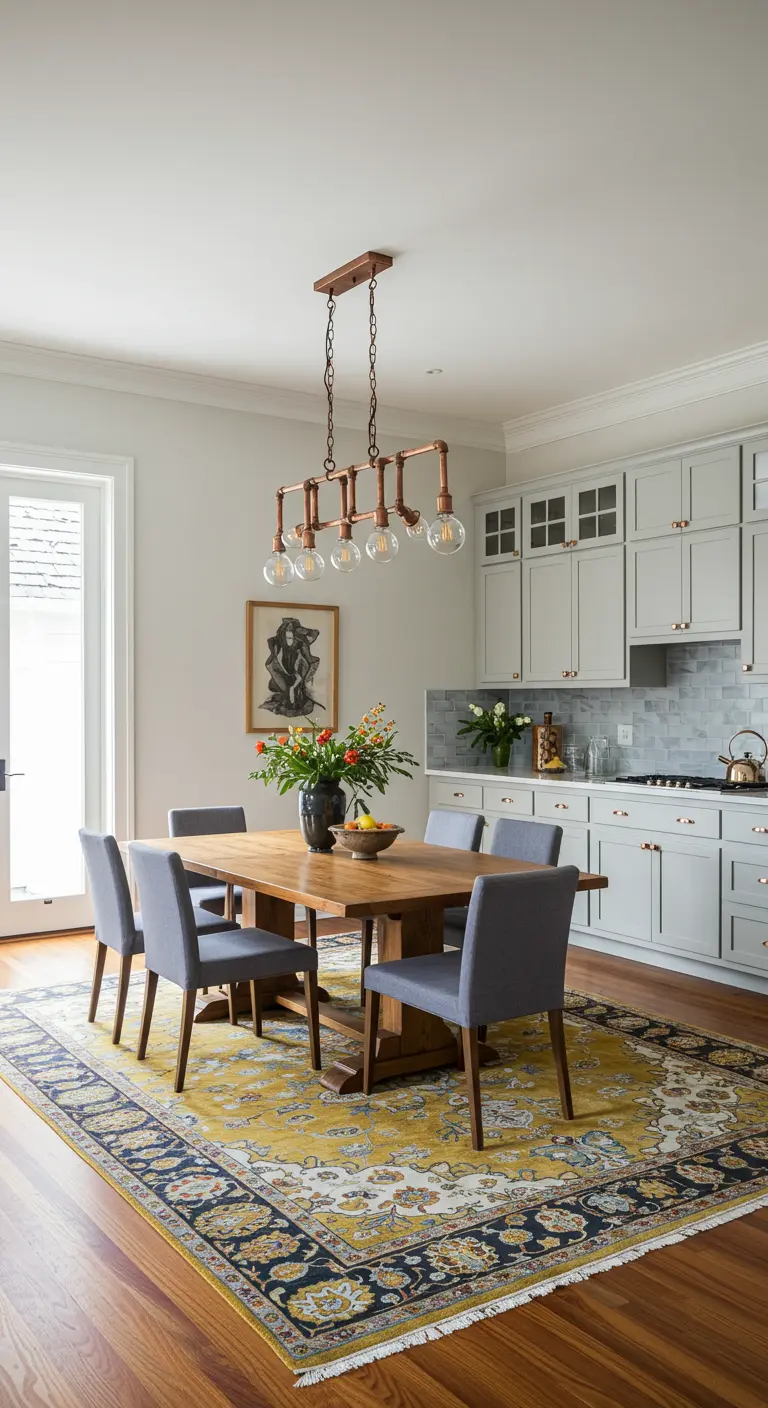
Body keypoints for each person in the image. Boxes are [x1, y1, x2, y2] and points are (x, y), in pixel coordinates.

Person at [260, 616, 324, 718]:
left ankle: (294, 700)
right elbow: (273, 663)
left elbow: (308, 662)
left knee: (294, 688)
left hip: (297, 674)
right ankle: (291, 699)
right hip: (285, 673)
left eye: (292, 637)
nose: (290, 640)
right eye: (288, 637)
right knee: (289, 689)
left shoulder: (300, 646)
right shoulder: (277, 645)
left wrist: (299, 679)